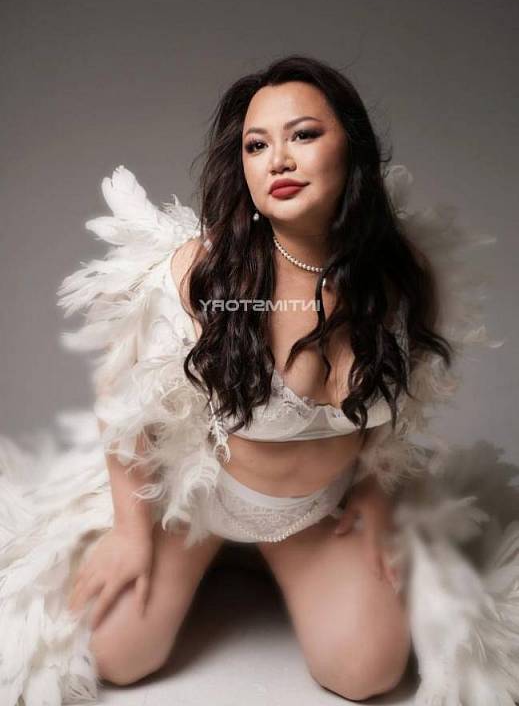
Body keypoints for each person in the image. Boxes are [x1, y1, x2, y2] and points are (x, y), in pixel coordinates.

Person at [1, 54, 518, 706]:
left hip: (313, 516)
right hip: (198, 508)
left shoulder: (401, 277)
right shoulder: (205, 273)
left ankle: (266, 563)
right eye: (256, 145)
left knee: (367, 673)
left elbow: (405, 408)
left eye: (303, 134)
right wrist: (131, 533)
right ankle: (213, 555)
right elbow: (123, 399)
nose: (278, 160)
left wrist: (374, 494)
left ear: (351, 148)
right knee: (117, 654)